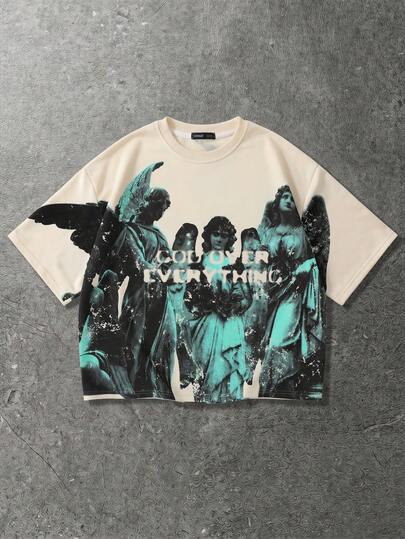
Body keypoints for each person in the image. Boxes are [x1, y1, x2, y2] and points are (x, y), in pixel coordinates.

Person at [257, 186, 324, 398]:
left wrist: (308, 265)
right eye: (285, 197)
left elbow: (318, 258)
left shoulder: (303, 232)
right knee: (265, 345)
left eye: (293, 198)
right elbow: (257, 262)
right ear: (277, 202)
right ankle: (281, 392)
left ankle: (273, 388)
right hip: (270, 294)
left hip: (294, 292)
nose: (289, 200)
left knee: (279, 342)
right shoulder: (267, 232)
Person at [184, 216, 252, 403]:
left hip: (228, 323)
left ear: (229, 238)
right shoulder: (198, 264)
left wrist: (232, 305)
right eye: (216, 234)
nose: (219, 239)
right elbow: (188, 295)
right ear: (208, 236)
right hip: (204, 323)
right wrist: (203, 301)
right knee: (206, 365)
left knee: (227, 364)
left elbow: (245, 296)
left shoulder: (235, 265)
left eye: (224, 235)